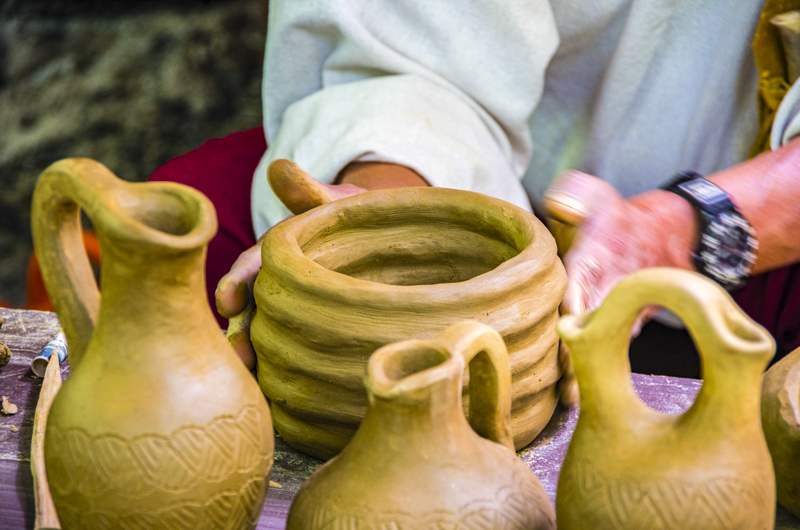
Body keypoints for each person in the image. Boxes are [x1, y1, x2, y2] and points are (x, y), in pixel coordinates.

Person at [153, 0, 800, 380]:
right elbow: (414, 47)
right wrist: (385, 213)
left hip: (756, 210)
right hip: (489, 176)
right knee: (177, 240)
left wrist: (683, 229)